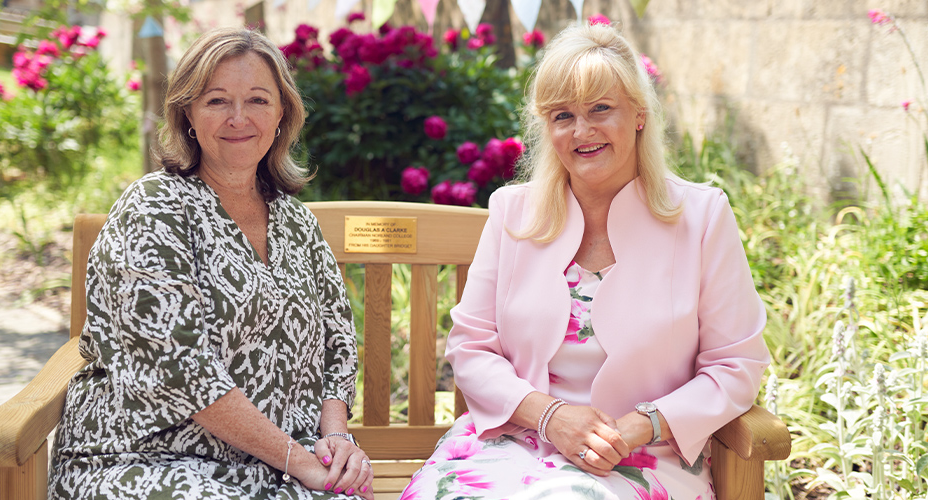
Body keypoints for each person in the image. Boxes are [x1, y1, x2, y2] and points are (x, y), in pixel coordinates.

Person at [401, 22, 770, 500]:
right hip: (513, 441)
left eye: (601, 109)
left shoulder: (701, 216)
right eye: (562, 115)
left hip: (643, 454)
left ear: (639, 114)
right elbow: (472, 348)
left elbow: (736, 364)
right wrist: (549, 416)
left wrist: (638, 427)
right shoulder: (514, 212)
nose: (582, 131)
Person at [49, 27, 375, 500]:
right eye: (217, 100)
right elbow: (179, 370)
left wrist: (336, 441)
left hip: (279, 463)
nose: (238, 118)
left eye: (258, 100)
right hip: (149, 459)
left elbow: (338, 342)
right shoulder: (154, 208)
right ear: (188, 114)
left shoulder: (295, 220)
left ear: (282, 113)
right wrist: (302, 463)